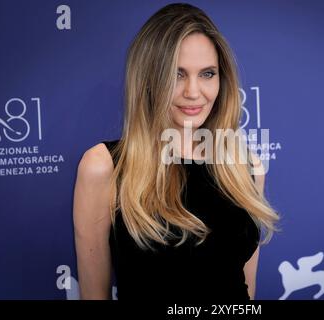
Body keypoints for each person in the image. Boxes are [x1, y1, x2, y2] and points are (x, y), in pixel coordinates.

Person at [73, 3, 279, 301]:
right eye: (177, 74)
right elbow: (94, 295)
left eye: (207, 74)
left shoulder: (245, 166)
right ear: (147, 80)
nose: (193, 92)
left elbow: (245, 292)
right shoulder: (104, 166)